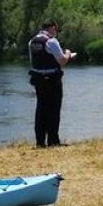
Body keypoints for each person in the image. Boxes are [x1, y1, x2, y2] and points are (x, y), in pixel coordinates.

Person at [27, 20, 74, 148]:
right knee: (53, 109)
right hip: (52, 80)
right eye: (56, 30)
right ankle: (53, 141)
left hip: (38, 80)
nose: (56, 33)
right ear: (52, 28)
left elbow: (33, 61)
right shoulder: (51, 41)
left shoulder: (32, 41)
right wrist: (68, 54)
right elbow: (62, 61)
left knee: (41, 109)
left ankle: (40, 142)